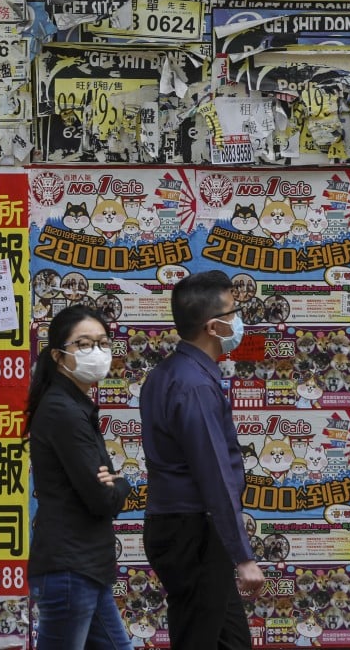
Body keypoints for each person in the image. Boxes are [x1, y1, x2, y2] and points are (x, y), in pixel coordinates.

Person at [140, 270, 264, 649]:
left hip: (186, 530)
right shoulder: (192, 385)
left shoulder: (171, 374)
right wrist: (243, 556)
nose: (239, 320)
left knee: (231, 641)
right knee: (198, 639)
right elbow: (214, 474)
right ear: (214, 326)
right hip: (192, 533)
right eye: (233, 312)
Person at [26, 305, 133, 650]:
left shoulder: (75, 405)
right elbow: (101, 497)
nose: (97, 352)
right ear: (59, 356)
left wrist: (112, 481)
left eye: (102, 342)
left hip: (86, 568)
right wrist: (121, 483)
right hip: (70, 569)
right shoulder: (63, 410)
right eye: (84, 344)